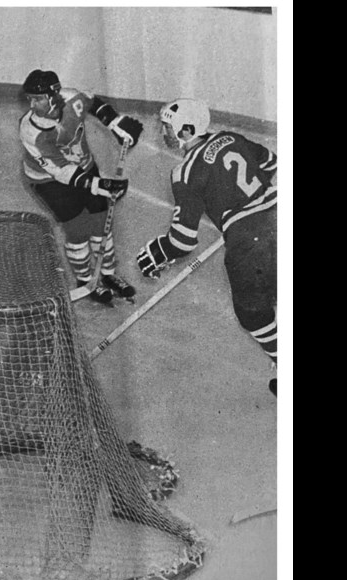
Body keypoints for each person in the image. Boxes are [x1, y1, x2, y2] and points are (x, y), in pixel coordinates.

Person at [136, 99, 278, 395]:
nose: (163, 133)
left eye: (167, 127)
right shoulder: (231, 137)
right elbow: (271, 163)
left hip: (249, 244)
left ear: (187, 129)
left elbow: (182, 240)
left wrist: (159, 251)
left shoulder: (185, 173)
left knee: (253, 312)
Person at [18, 69, 143, 305]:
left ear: (54, 94)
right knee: (77, 228)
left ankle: (107, 275)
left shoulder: (71, 98)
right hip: (48, 181)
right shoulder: (31, 130)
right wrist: (98, 184)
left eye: (38, 98)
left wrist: (115, 123)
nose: (33, 104)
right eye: (30, 99)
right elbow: (60, 170)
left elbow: (93, 103)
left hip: (84, 166)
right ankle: (86, 280)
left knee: (101, 219)